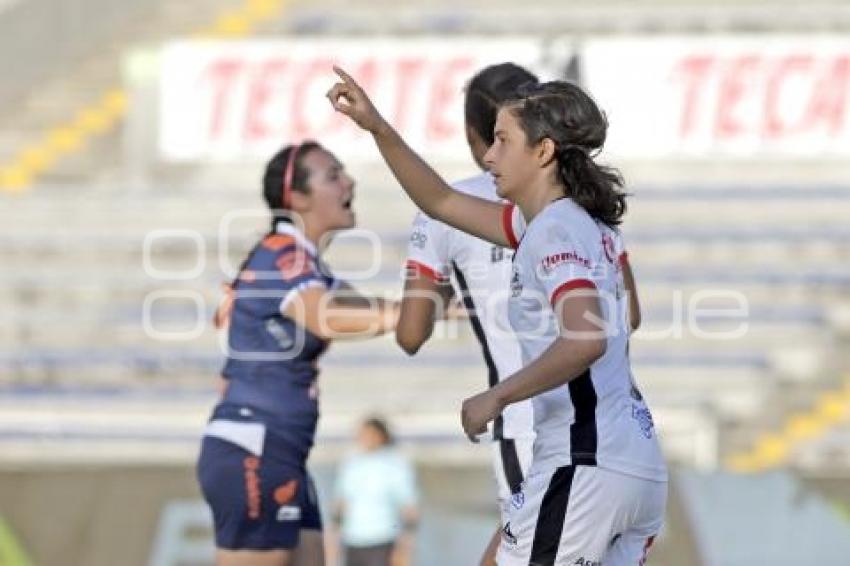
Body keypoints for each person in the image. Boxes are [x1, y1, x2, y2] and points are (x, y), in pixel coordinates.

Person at [327, 68, 666, 565]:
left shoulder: (554, 231)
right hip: (630, 458)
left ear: (543, 151)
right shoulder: (570, 221)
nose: (488, 155)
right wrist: (377, 127)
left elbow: (586, 339)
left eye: (503, 141)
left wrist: (498, 395)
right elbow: (440, 201)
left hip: (584, 460)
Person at [197, 141, 404, 566]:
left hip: (282, 450)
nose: (350, 181)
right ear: (297, 197)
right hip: (255, 446)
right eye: (333, 175)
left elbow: (380, 310)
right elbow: (328, 318)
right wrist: (414, 313)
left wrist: (451, 303)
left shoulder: (307, 264)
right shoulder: (284, 253)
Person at [397, 62, 541, 566]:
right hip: (613, 417)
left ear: (473, 135)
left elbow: (411, 333)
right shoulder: (588, 195)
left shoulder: (453, 208)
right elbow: (627, 313)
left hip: (530, 421)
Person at [330, 417, 419, 566]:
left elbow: (409, 509)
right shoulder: (351, 462)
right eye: (361, 434)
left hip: (383, 539)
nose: (363, 438)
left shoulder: (396, 464)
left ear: (381, 435)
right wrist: (332, 539)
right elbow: (340, 503)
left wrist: (405, 548)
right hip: (353, 540)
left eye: (368, 434)